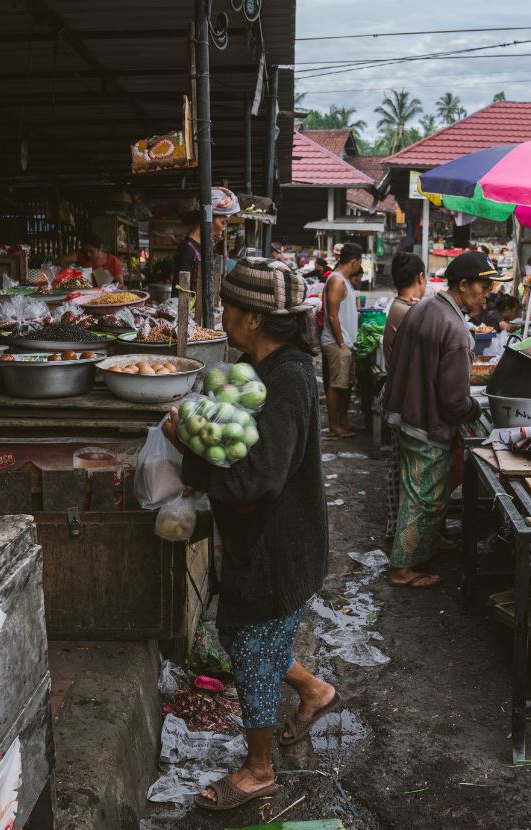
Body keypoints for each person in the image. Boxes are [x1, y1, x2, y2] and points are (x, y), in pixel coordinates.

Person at [162, 257, 338, 812]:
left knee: (252, 650)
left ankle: (259, 770)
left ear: (254, 319)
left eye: (229, 308)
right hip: (264, 542)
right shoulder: (255, 370)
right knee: (250, 640)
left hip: (278, 547)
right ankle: (315, 690)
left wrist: (184, 441)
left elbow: (258, 480)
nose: (225, 316)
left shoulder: (286, 380)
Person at [384, 251, 511, 589]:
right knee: (423, 497)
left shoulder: (424, 306)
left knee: (425, 492)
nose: (488, 293)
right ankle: (403, 568)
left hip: (406, 411)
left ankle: (425, 542)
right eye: (484, 286)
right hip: (426, 421)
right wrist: (477, 409)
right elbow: (454, 402)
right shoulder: (455, 329)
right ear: (464, 285)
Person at [382, 252, 427, 541]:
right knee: (406, 472)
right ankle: (402, 533)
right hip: (405, 401)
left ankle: (401, 529)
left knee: (401, 468)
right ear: (421, 278)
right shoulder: (408, 311)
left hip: (397, 396)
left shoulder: (401, 306)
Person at [321, 243, 363, 439]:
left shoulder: (343, 280)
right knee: (336, 385)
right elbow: (332, 315)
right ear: (354, 262)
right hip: (337, 343)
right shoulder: (336, 281)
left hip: (345, 343)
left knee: (345, 385)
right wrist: (341, 344)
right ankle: (334, 426)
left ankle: (342, 421)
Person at [172, 187, 240, 292]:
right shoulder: (188, 250)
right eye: (223, 222)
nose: (224, 227)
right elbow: (180, 292)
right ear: (209, 219)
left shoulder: (202, 245)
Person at [57, 235, 124, 286]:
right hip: (84, 292)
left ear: (100, 248)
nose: (88, 254)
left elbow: (121, 284)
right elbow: (61, 260)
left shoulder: (113, 261)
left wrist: (109, 282)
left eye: (92, 252)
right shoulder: (81, 254)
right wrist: (67, 272)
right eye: (86, 251)